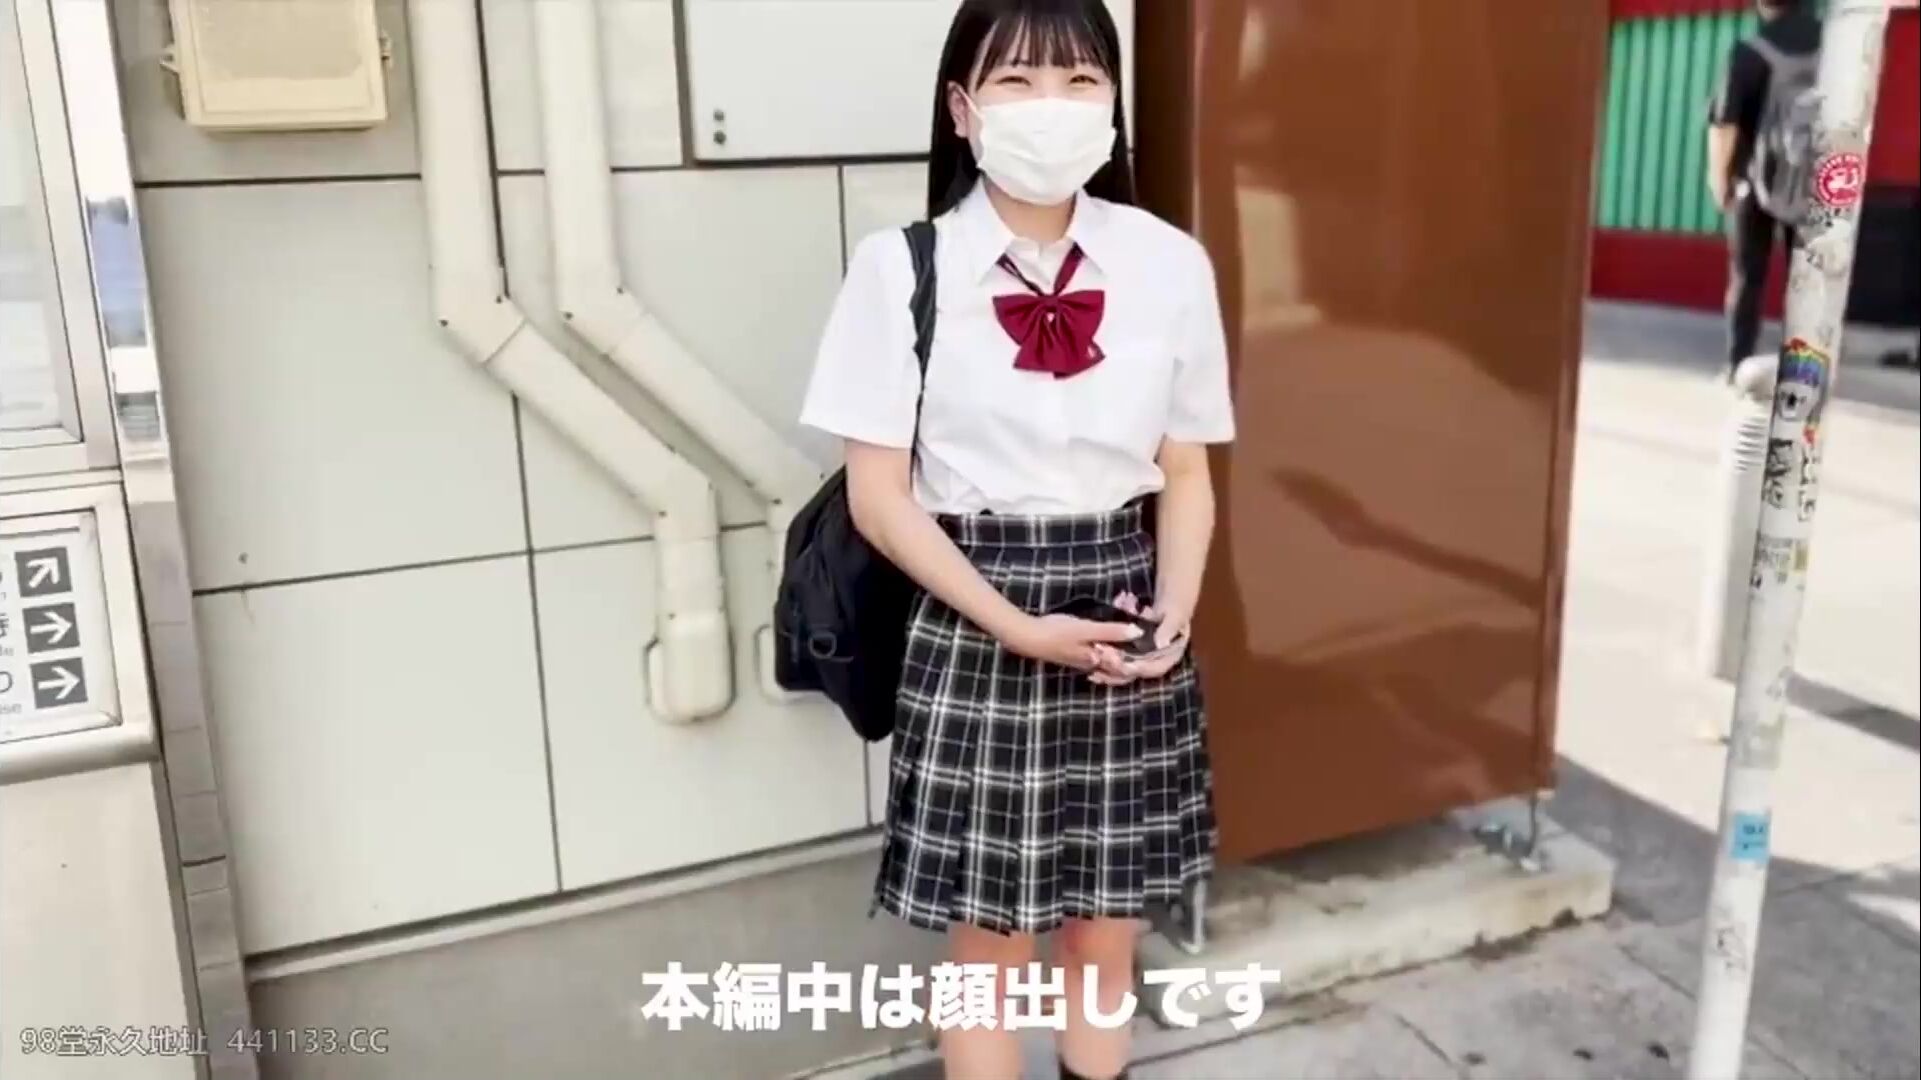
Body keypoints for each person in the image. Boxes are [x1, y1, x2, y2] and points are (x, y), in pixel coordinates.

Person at [796, 2, 1235, 1077]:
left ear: (1113, 105)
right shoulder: (900, 269)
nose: (1052, 106)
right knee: (987, 953)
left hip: (1124, 611)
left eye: (1080, 81)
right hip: (973, 608)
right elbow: (879, 500)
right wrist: (1015, 625)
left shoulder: (1169, 264)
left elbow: (1185, 471)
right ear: (962, 108)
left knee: (1103, 937)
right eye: (1017, 81)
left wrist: (1173, 613)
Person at [1706, 0, 1823, 380]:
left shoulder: (1749, 51)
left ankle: (1737, 364)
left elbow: (1725, 123)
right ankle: (1804, 370)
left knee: (1748, 275)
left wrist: (1719, 179)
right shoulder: (1833, 49)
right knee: (1806, 280)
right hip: (1814, 183)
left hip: (1753, 183)